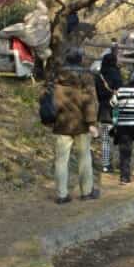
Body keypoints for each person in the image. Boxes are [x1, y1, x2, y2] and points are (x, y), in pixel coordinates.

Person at [51, 69, 101, 204]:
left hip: (61, 126)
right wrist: (92, 123)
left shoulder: (56, 82)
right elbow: (89, 103)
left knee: (61, 161)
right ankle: (86, 192)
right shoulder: (84, 81)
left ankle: (62, 195)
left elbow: (51, 103)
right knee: (84, 158)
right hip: (81, 126)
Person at [94, 49, 123, 173]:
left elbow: (99, 95)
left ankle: (106, 165)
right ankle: (119, 162)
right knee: (119, 138)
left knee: (105, 140)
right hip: (116, 111)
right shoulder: (117, 75)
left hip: (103, 111)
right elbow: (121, 93)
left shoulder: (99, 76)